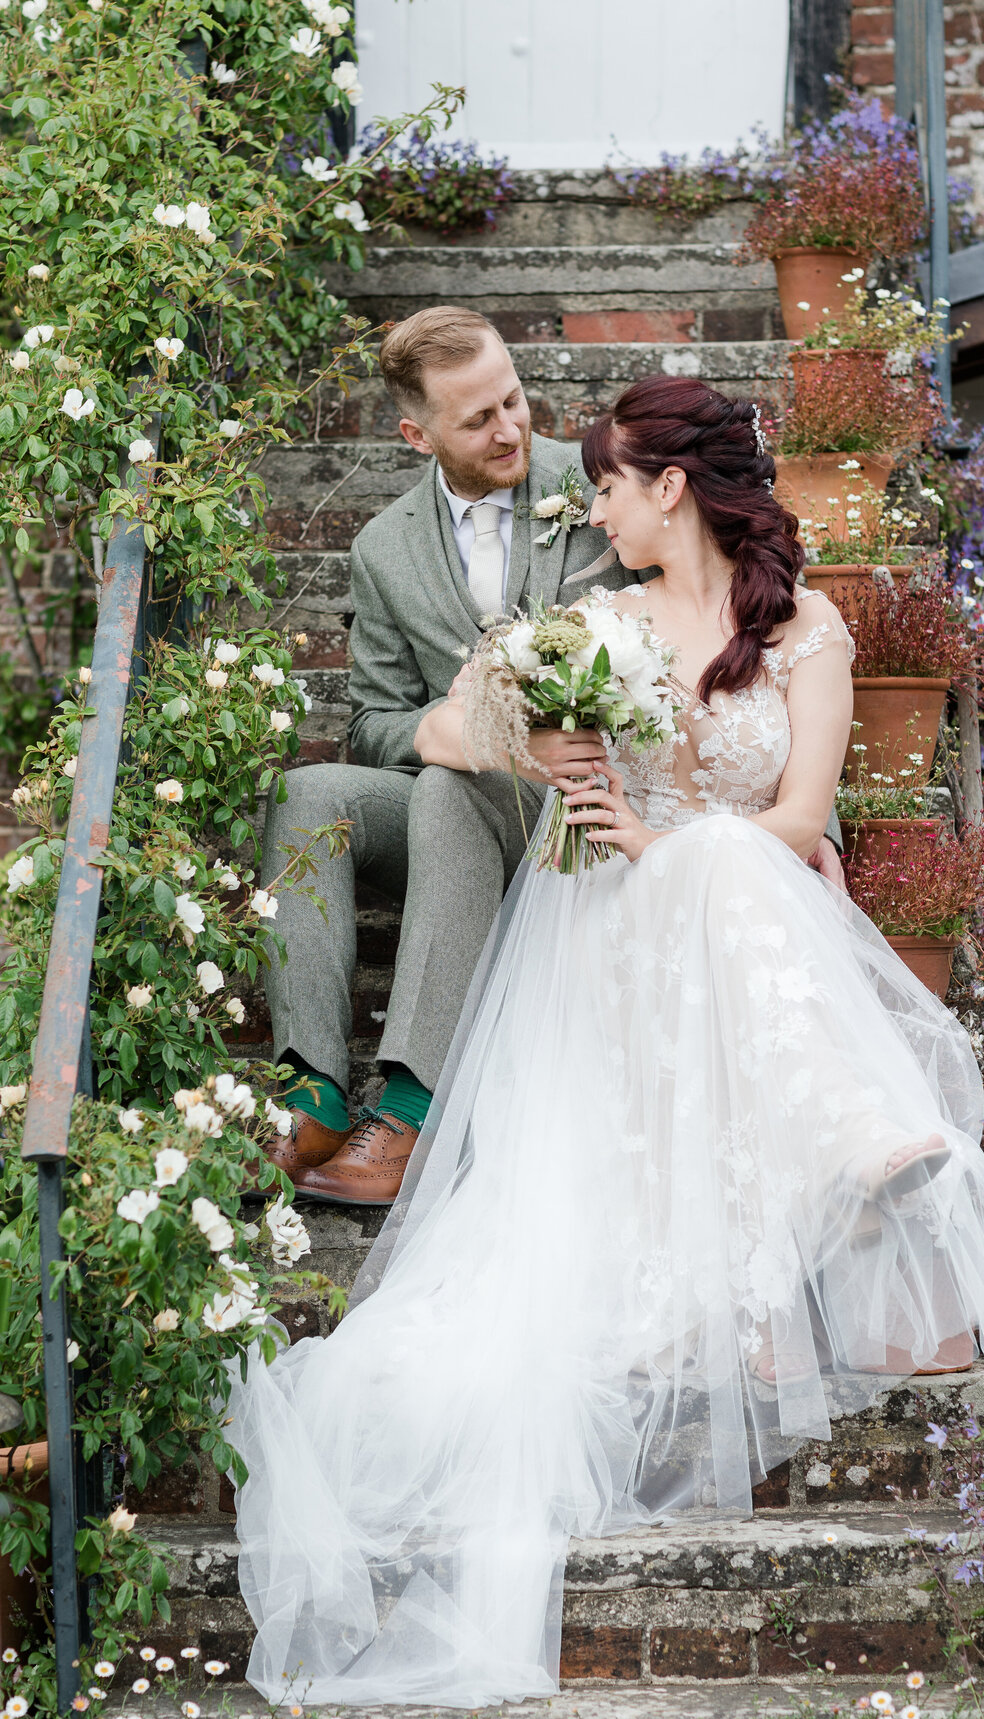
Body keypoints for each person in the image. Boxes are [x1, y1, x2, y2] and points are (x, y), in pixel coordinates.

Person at [227, 376, 984, 1707]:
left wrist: (674, 846)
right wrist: (526, 744)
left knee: (726, 864)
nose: (590, 505)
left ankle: (820, 1167)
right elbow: (435, 733)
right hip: (610, 945)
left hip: (745, 913)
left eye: (607, 481)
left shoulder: (806, 629)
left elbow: (805, 819)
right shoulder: (591, 628)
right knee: (706, 870)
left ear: (671, 487)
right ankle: (845, 1149)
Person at [259, 308, 845, 1205]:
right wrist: (455, 734)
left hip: (600, 801)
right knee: (311, 794)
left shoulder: (619, 482)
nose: (510, 430)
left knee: (447, 796)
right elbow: (373, 722)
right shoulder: (384, 549)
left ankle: (414, 1107)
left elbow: (743, 632)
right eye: (477, 419)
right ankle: (312, 1096)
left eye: (514, 400)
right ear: (416, 434)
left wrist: (814, 827)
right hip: (469, 796)